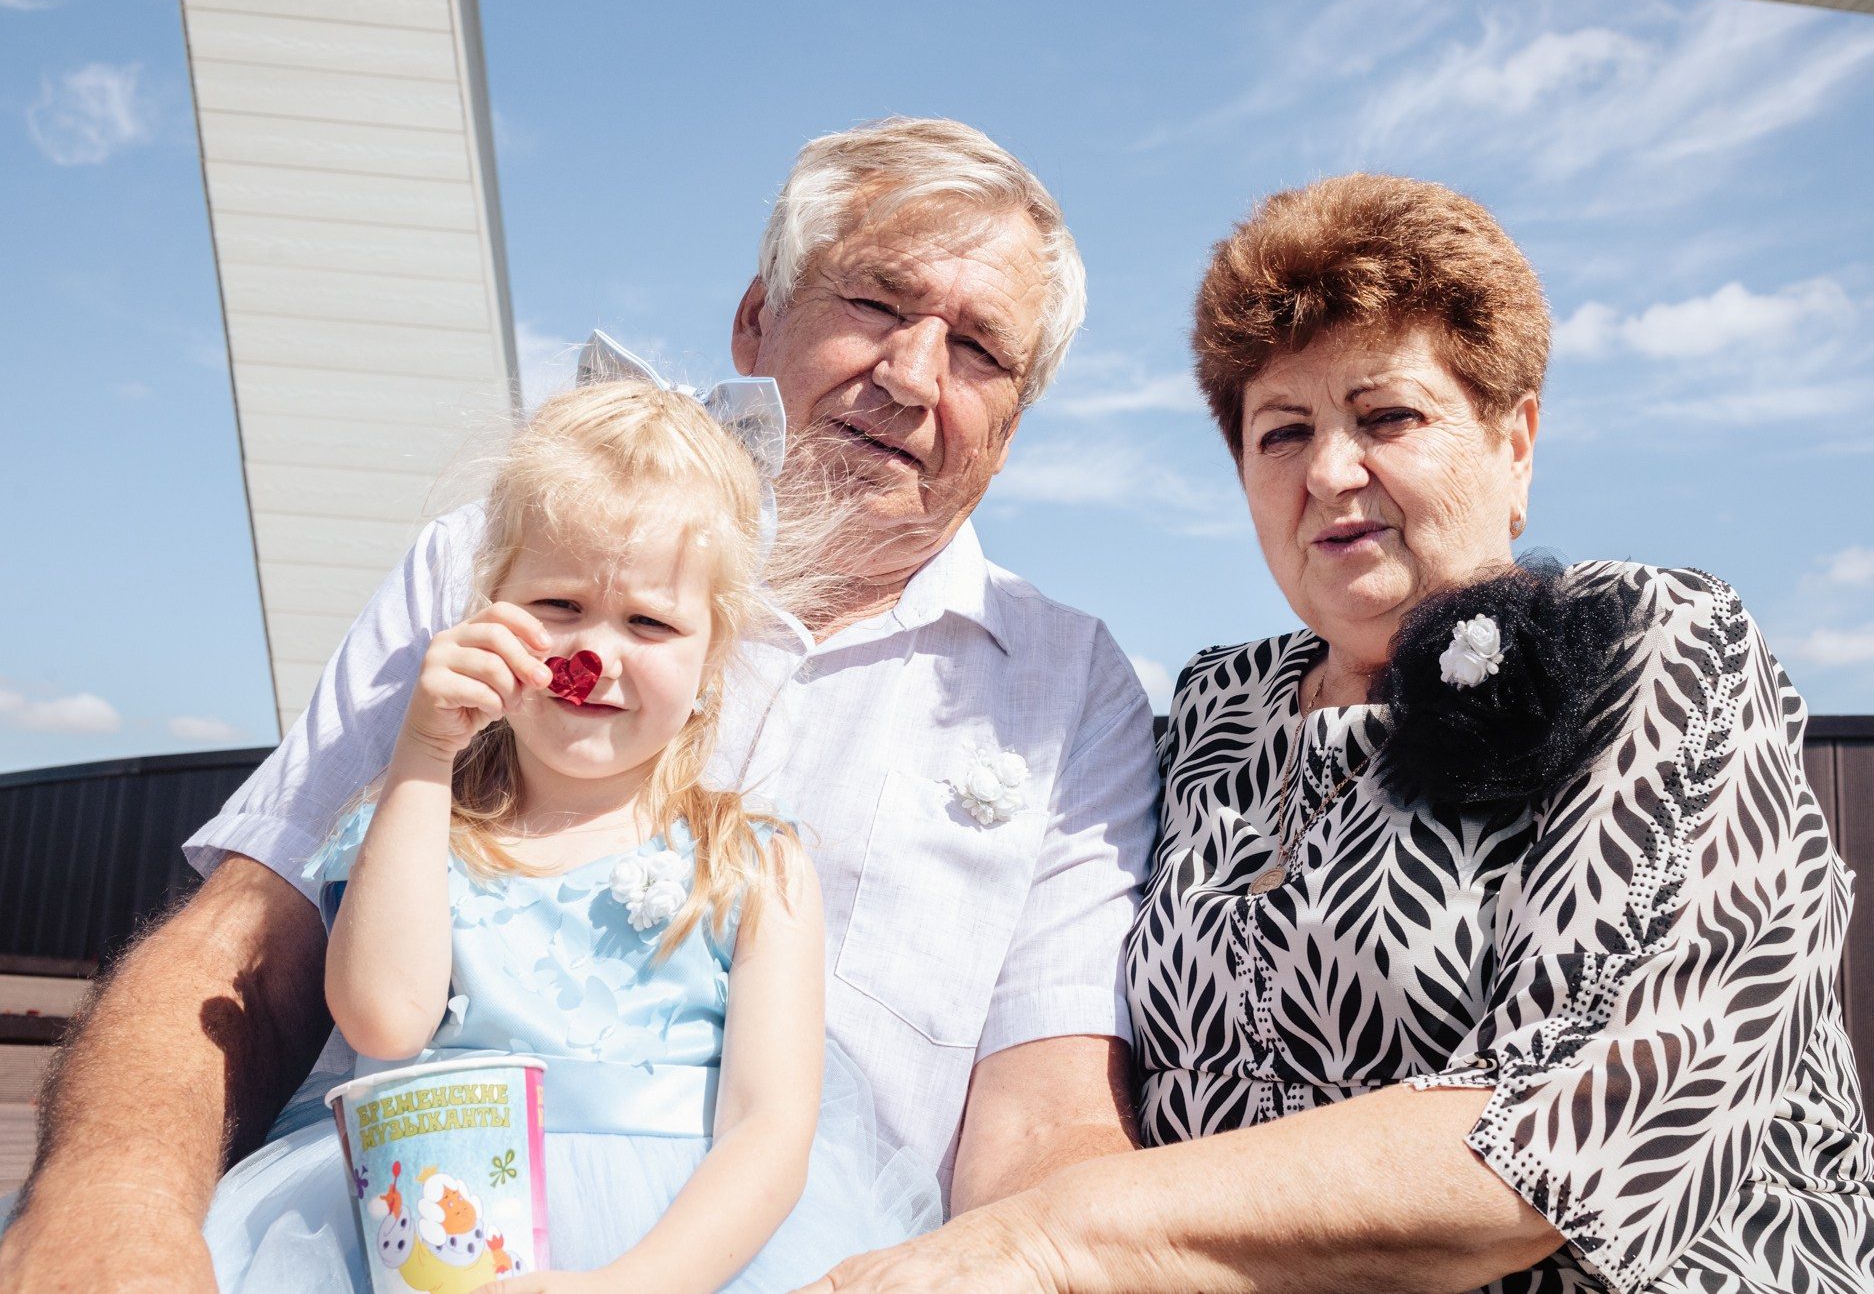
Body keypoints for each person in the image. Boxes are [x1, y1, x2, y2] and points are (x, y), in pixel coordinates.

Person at [0, 118, 1154, 1292]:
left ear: (1012, 426)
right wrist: (113, 1206)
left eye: (976, 350)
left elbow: (1043, 1124)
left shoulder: (1071, 689)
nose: (910, 375)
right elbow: (248, 938)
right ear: (757, 319)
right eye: (873, 301)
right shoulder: (493, 559)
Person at [799, 175, 1874, 1293]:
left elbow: (1560, 1129)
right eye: (1281, 431)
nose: (1332, 472)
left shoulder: (1646, 643)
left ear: (1513, 439)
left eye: (1386, 416)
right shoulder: (1213, 716)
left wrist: (1045, 1239)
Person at [203, 379, 939, 1292]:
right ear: (488, 608)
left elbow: (770, 1127)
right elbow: (383, 1017)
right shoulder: (413, 820)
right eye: (557, 606)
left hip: (679, 1253)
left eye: (650, 621)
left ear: (712, 657)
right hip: (432, 1236)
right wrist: (425, 752)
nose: (596, 653)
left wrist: (631, 1283)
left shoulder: (752, 864)